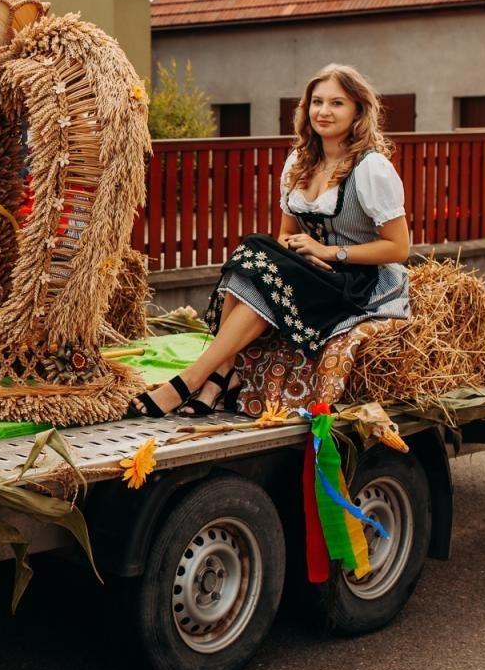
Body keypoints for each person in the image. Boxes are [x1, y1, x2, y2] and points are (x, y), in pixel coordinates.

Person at [132, 64, 411, 417]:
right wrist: (301, 254)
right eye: (317, 102)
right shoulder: (299, 161)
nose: (324, 111)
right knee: (254, 246)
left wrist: (328, 251)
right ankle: (220, 374)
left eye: (337, 103)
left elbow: (399, 249)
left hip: (357, 282)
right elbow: (284, 234)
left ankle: (195, 379)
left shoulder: (371, 168)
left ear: (358, 111)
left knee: (262, 272)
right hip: (313, 271)